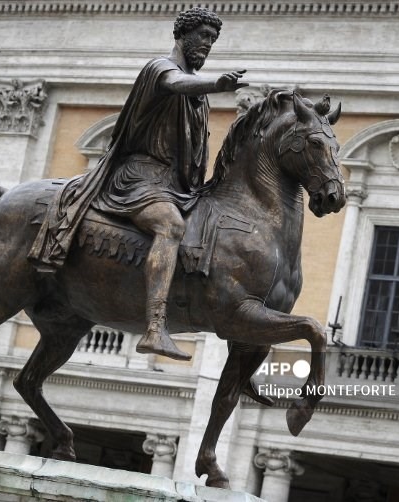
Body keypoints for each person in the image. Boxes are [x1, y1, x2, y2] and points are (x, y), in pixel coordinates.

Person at [28, 7, 247, 360]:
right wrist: (218, 84)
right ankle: (155, 328)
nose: (208, 44)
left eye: (213, 39)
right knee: (171, 226)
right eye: (203, 36)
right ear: (183, 35)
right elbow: (177, 84)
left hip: (175, 185)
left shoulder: (197, 95)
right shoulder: (160, 69)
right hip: (140, 177)